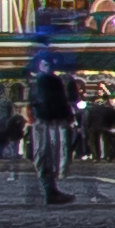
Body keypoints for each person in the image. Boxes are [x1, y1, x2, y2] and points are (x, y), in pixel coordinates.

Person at [22, 38, 82, 205]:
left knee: (47, 154)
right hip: (50, 121)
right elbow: (55, 100)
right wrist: (66, 115)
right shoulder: (48, 81)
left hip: (46, 120)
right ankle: (50, 190)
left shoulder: (39, 82)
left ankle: (50, 189)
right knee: (50, 153)